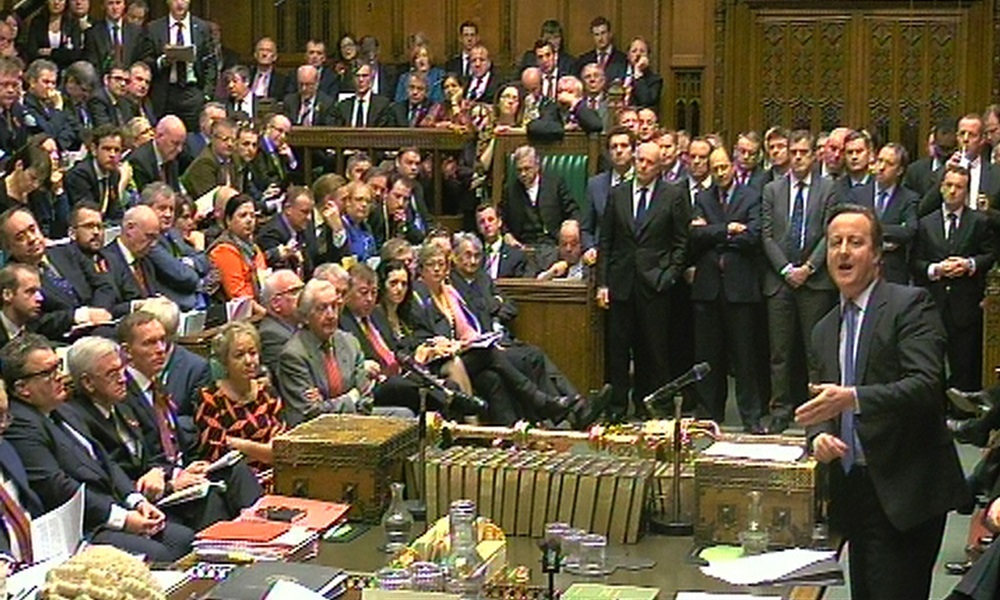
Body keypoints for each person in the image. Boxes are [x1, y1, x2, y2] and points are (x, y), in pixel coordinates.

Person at [794, 204, 970, 599]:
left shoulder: (909, 305)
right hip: (854, 491)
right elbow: (823, 406)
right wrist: (819, 436)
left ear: (876, 255)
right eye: (835, 242)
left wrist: (853, 398)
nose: (842, 252)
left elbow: (926, 387)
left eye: (855, 242)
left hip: (906, 489)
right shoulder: (824, 329)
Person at [3, 333, 195, 562]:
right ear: (23, 388)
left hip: (115, 505)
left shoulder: (62, 407)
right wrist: (123, 519)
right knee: (158, 555)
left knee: (184, 538)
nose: (60, 377)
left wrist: (136, 500)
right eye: (48, 373)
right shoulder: (21, 424)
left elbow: (104, 460)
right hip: (85, 526)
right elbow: (57, 487)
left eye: (58, 367)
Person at [596, 141, 689, 421]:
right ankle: (617, 409)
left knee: (654, 351)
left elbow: (681, 242)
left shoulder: (673, 195)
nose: (643, 165)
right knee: (619, 350)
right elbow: (606, 242)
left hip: (655, 284)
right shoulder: (618, 194)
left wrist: (669, 275)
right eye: (639, 160)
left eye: (649, 162)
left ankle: (652, 407)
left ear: (659, 166)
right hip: (621, 282)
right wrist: (603, 283)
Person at [761, 130, 838, 433]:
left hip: (815, 282)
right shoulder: (772, 189)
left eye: (803, 152)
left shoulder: (828, 188)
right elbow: (766, 236)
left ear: (813, 155)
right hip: (779, 282)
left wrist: (807, 268)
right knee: (779, 352)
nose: (797, 158)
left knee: (814, 351)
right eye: (793, 153)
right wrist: (785, 270)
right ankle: (780, 410)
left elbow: (829, 232)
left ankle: (815, 413)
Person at [689, 147, 764, 432]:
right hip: (707, 289)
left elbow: (753, 237)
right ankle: (709, 415)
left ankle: (751, 417)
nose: (720, 173)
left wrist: (714, 233)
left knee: (744, 357)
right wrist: (727, 230)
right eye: (714, 168)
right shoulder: (702, 198)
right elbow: (695, 236)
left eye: (723, 167)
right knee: (708, 357)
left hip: (739, 288)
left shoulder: (750, 196)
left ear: (733, 167)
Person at [277, 278, 412, 426]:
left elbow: (366, 399)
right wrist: (352, 396)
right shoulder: (294, 355)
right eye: (322, 308)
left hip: (355, 417)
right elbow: (311, 413)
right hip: (318, 431)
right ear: (306, 316)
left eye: (334, 306)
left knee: (405, 417)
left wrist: (330, 402)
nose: (331, 315)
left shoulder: (349, 342)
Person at [912, 165, 995, 392]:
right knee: (932, 366)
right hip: (934, 305)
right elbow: (915, 263)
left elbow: (989, 255)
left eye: (958, 187)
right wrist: (936, 270)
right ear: (941, 188)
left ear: (966, 191)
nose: (952, 191)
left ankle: (962, 419)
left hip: (965, 306)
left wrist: (969, 264)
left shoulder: (979, 221)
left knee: (964, 367)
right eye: (948, 185)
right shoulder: (926, 223)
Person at [197, 321, 284, 472]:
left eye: (253, 353)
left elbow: (281, 450)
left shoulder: (268, 392)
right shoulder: (210, 398)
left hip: (273, 476)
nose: (249, 361)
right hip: (233, 480)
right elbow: (217, 456)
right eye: (239, 355)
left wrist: (239, 444)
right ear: (225, 362)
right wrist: (263, 451)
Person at [847, 143, 919, 285]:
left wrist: (868, 229)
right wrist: (890, 232)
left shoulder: (909, 198)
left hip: (892, 275)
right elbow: (851, 228)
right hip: (860, 270)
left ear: (899, 170)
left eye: (889, 164)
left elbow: (909, 230)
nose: (881, 168)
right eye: (879, 161)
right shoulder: (857, 194)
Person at [145, 0, 216, 131]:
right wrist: (163, 61)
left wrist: (206, 94)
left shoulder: (202, 27)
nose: (180, 3)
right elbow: (146, 62)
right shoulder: (154, 28)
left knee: (194, 139)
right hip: (166, 93)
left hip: (193, 93)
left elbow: (211, 63)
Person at [502, 145, 580, 247]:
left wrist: (569, 228)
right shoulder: (510, 191)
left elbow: (573, 211)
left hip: (553, 243)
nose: (523, 174)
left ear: (537, 166)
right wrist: (507, 235)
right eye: (519, 170)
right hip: (522, 245)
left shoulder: (555, 184)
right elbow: (502, 220)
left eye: (527, 169)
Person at [207, 194, 268, 317]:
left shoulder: (254, 248)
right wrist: (267, 315)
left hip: (261, 305)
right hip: (239, 316)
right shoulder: (223, 250)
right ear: (229, 220)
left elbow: (264, 278)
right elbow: (239, 296)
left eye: (252, 216)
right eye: (243, 215)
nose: (249, 220)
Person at [65, 124, 125, 222]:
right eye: (107, 149)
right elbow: (88, 213)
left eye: (117, 150)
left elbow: (116, 211)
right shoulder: (80, 174)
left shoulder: (114, 174)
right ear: (94, 149)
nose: (112, 155)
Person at [258, 269, 303, 378]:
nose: (303, 296)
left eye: (303, 289)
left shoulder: (300, 324)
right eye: (295, 291)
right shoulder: (270, 335)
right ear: (276, 304)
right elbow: (290, 378)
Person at [128, 114, 186, 191]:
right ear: (159, 136)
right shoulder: (139, 162)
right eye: (175, 143)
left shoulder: (171, 158)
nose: (179, 149)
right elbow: (146, 198)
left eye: (182, 144)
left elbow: (176, 191)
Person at [25, 0, 84, 70]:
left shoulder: (73, 23)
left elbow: (74, 54)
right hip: (41, 68)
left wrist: (51, 52)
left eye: (60, 0)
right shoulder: (37, 22)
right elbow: (32, 52)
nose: (56, 2)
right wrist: (61, 53)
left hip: (66, 69)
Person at [0, 263, 43, 348]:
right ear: (7, 295)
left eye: (39, 292)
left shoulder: (34, 326)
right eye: (30, 291)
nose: (40, 298)